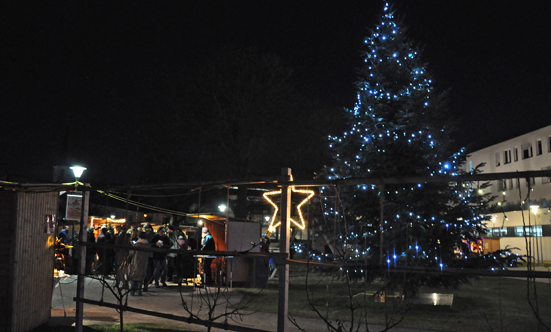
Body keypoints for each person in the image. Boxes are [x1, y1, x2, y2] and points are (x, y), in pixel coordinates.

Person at [127, 232, 151, 296]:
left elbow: (131, 253)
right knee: (141, 277)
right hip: (144, 262)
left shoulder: (137, 244)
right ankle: (139, 291)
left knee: (134, 275)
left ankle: (132, 291)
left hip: (136, 262)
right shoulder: (148, 245)